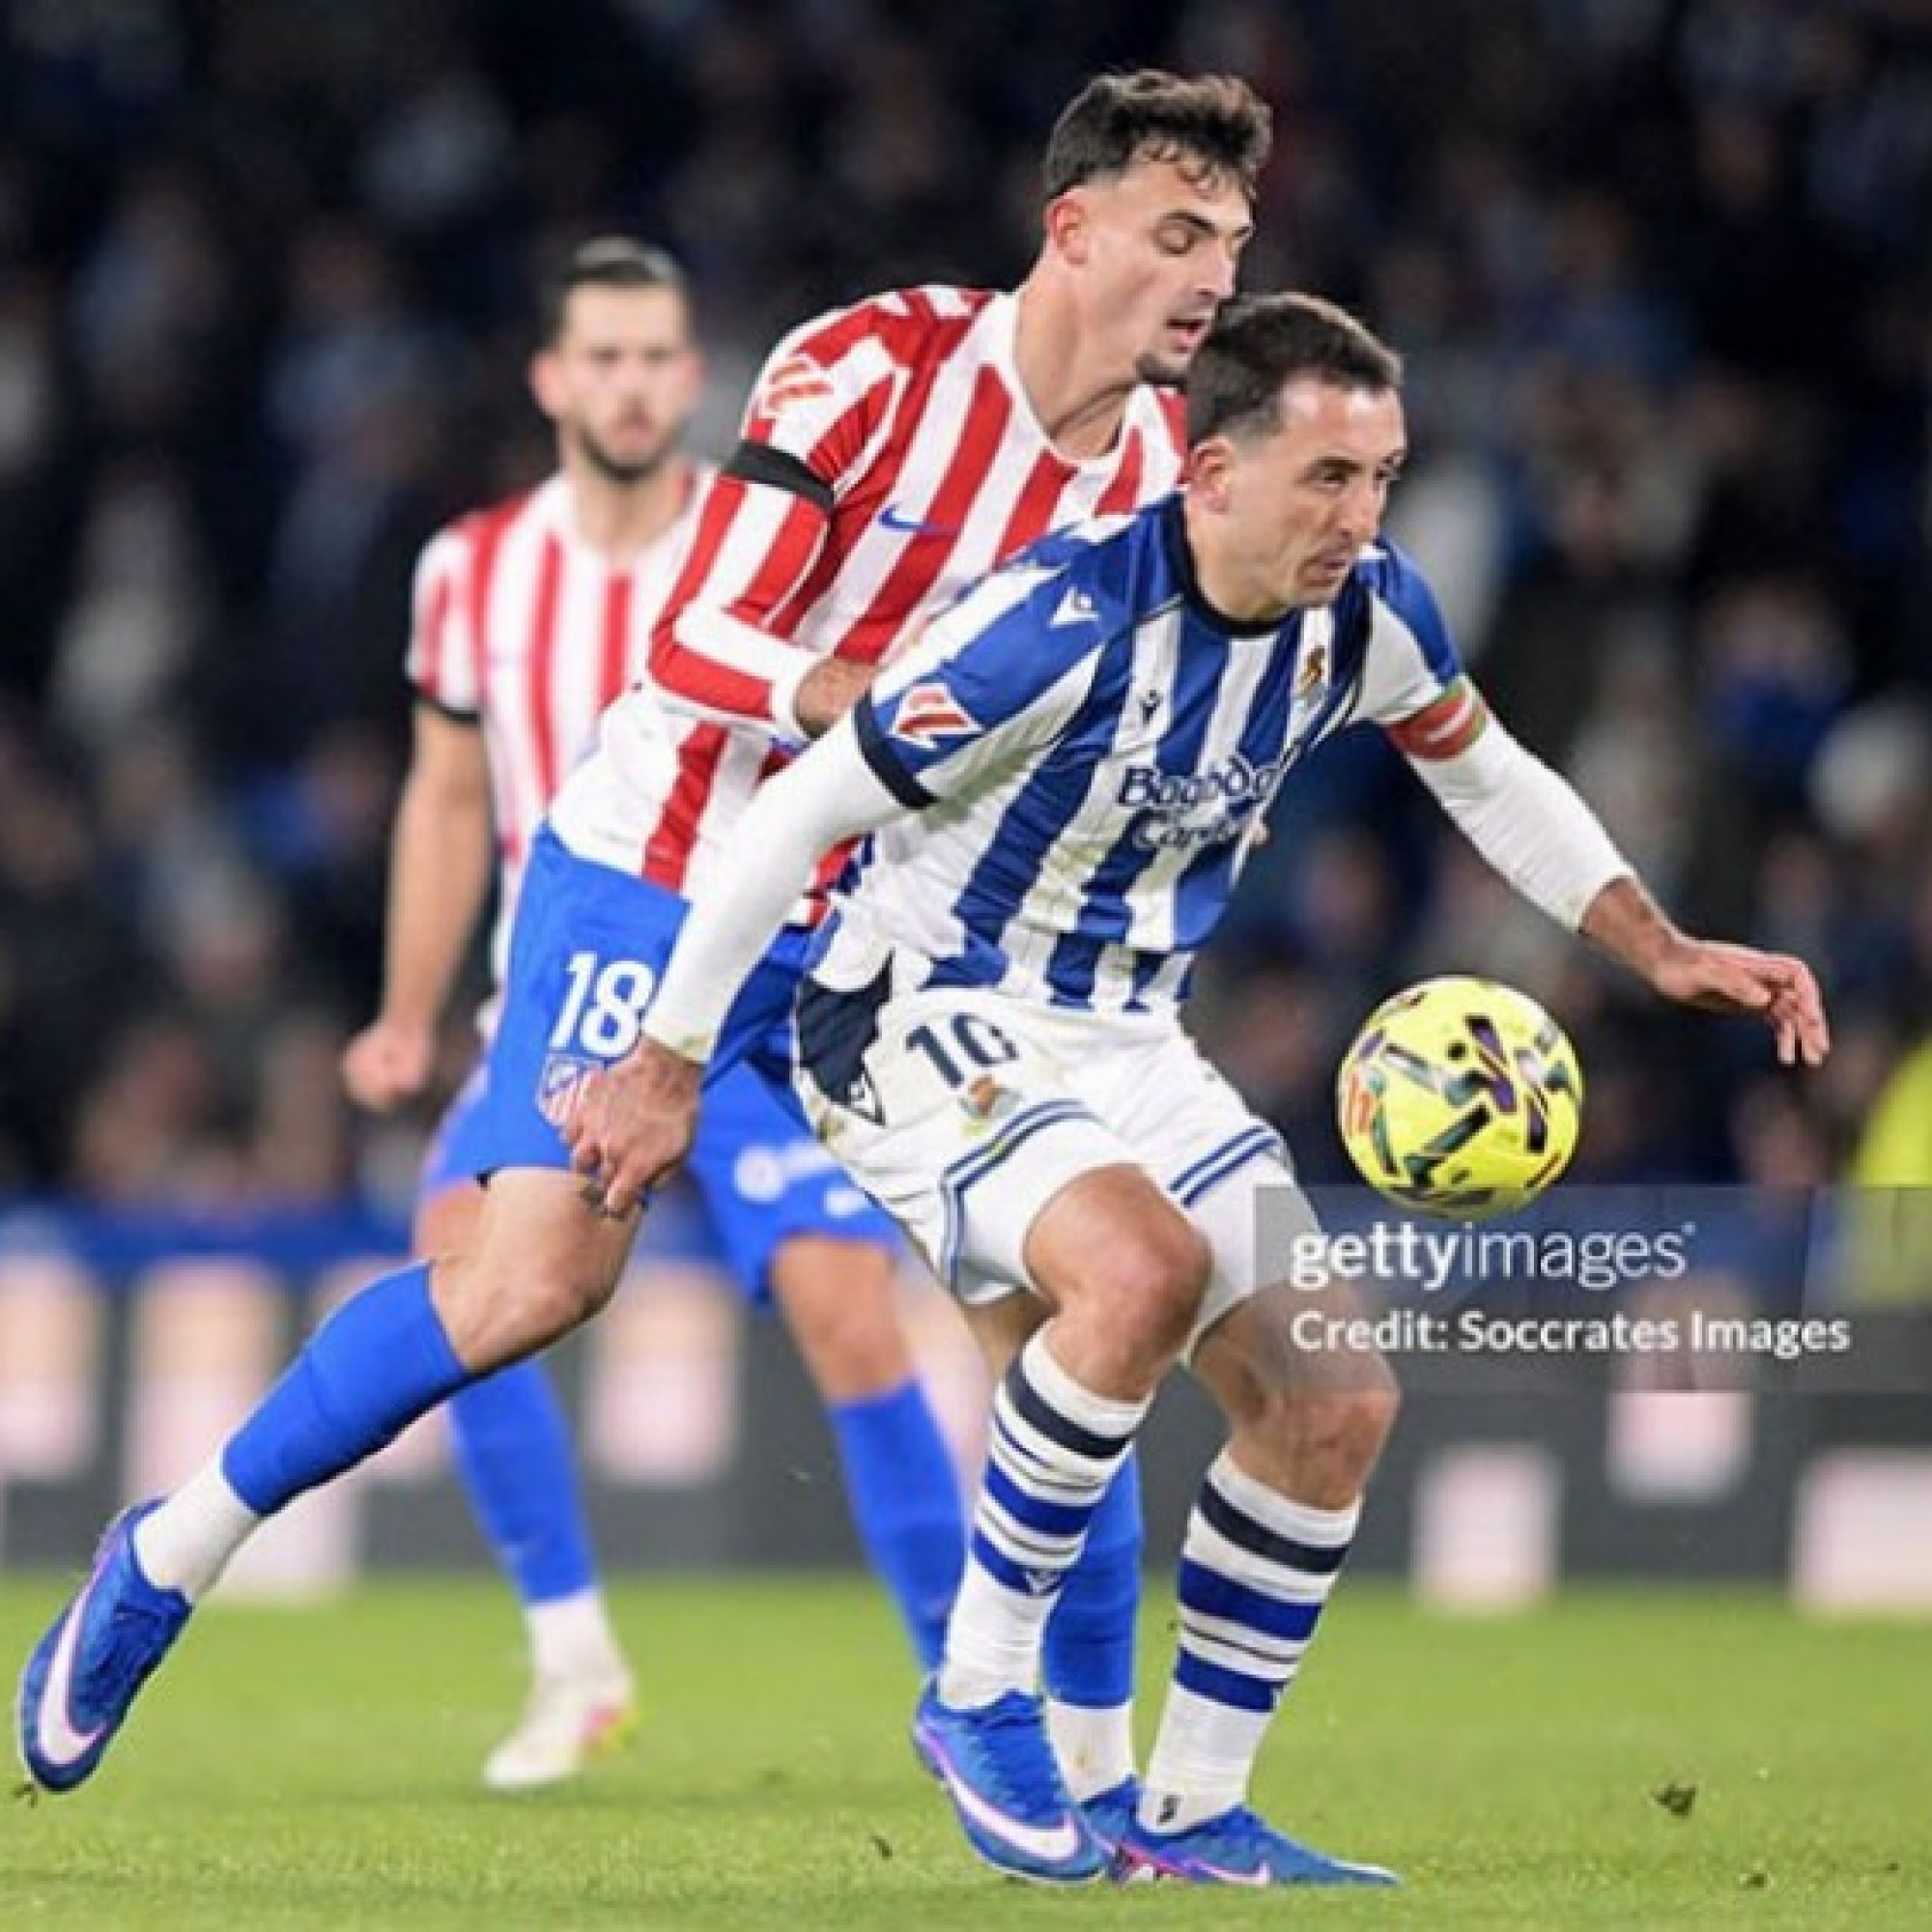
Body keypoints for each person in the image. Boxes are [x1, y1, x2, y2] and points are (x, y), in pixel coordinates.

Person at [16, 71, 1273, 1829]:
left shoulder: (1151, 472)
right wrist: (873, 710)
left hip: (890, 927)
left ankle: (1089, 1783)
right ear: (1073, 230)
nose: (1214, 274)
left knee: (1073, 1297)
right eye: (1179, 232)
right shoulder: (867, 369)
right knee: (537, 1282)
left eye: (1230, 239)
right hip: (662, 868)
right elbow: (692, 643)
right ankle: (166, 1555)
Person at [562, 293, 1832, 1887]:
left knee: (1335, 1399)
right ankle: (973, 1699)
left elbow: (1489, 774)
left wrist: (1657, 946)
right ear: (1211, 472)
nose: (1360, 517)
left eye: (1383, 477)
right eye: (1326, 479)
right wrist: (667, 1068)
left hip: (1128, 1036)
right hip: (915, 1011)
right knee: (1141, 1274)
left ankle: (1189, 1812)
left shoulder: (1366, 613)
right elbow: (792, 817)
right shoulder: (1054, 623)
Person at [339, 235, 963, 1791]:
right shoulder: (468, 569)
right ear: (555, 380)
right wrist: (410, 1011)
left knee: (843, 1301)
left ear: (696, 379)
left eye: (656, 356)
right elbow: (439, 796)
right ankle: (572, 1658)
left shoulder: (772, 547)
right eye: (600, 356)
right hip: (562, 983)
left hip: (757, 980)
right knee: (459, 1279)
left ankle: (967, 1689)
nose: (630, 383)